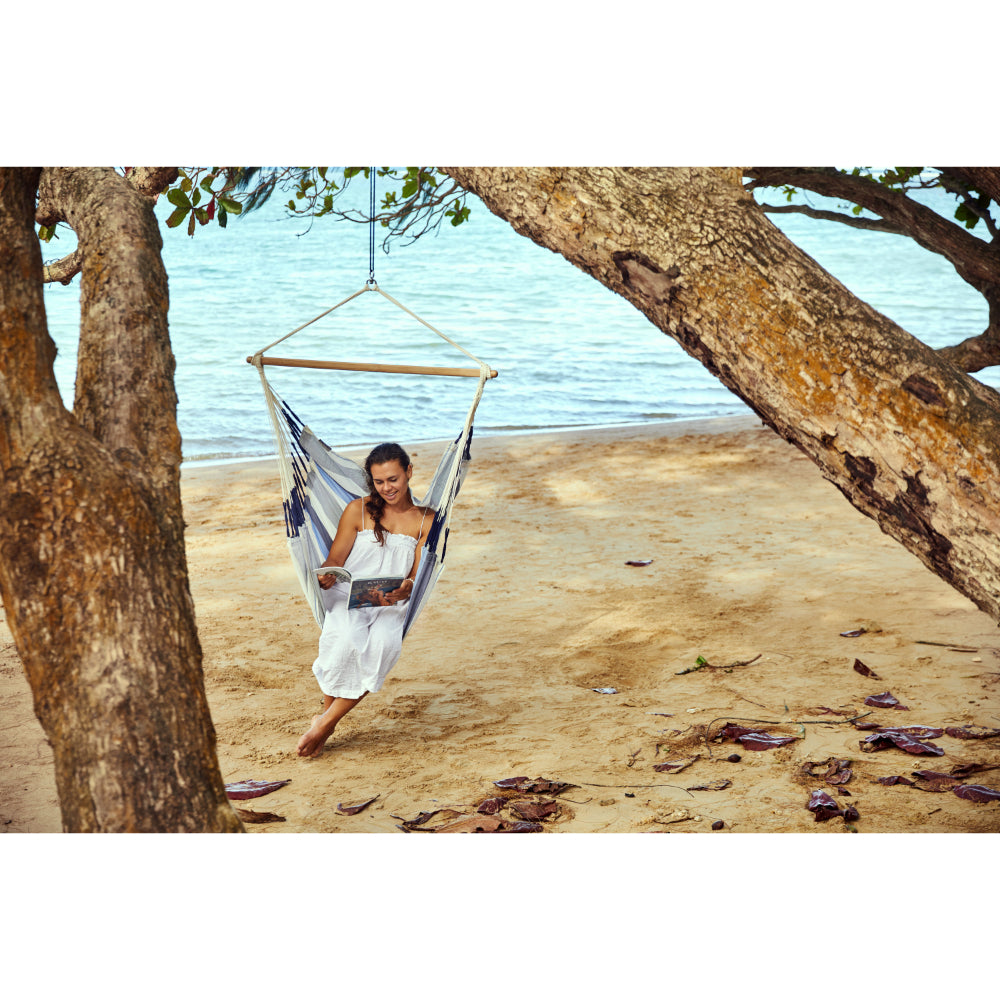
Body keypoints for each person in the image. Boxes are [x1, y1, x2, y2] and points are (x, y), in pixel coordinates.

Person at [296, 442, 432, 757]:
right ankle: (325, 725)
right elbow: (334, 560)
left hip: (389, 600)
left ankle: (325, 722)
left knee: (383, 647)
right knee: (343, 644)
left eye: (393, 479)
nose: (387, 488)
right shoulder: (357, 509)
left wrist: (407, 587)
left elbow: (416, 572)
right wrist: (327, 576)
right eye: (380, 481)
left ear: (408, 473)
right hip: (349, 595)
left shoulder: (426, 519)